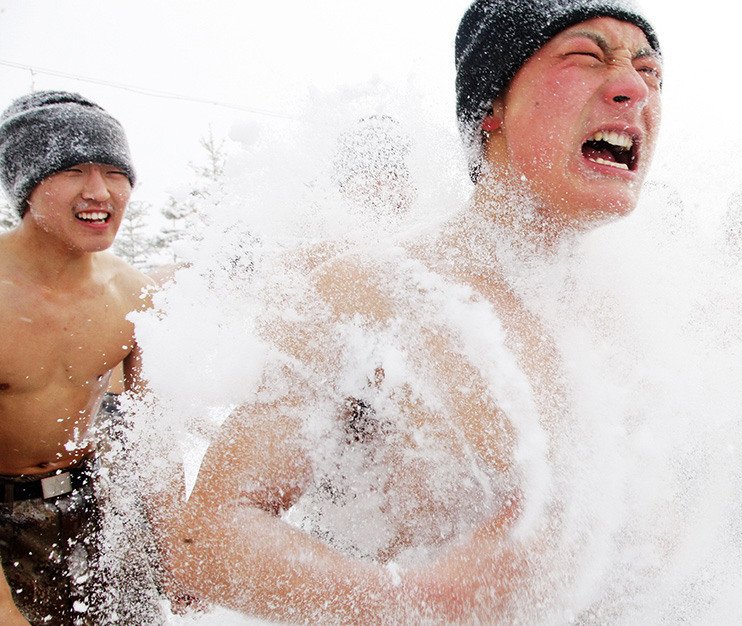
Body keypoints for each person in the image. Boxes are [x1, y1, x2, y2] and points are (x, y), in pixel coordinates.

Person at [155, 0, 662, 622]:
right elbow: (207, 537)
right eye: (586, 57)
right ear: (491, 110)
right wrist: (416, 605)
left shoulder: (641, 309)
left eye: (649, 71)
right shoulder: (373, 292)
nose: (634, 88)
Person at [0, 91, 159, 624]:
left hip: (97, 500)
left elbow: (152, 434)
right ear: (26, 186)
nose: (99, 191)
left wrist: (171, 544)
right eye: (72, 170)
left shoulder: (132, 294)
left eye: (115, 172)